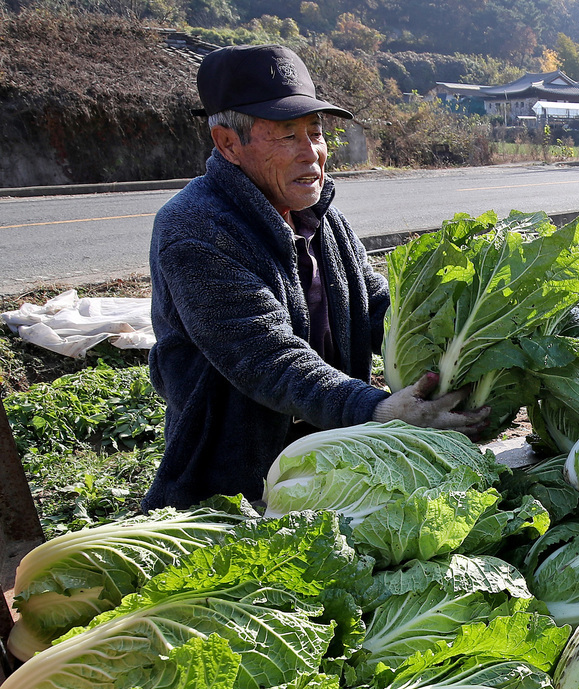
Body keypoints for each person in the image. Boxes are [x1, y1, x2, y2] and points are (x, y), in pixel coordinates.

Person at [144, 44, 486, 510]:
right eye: (287, 137)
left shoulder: (321, 216)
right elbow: (266, 357)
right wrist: (376, 409)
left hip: (337, 453)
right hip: (238, 478)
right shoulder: (195, 229)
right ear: (228, 143)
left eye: (316, 132)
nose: (312, 154)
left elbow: (374, 306)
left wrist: (458, 347)